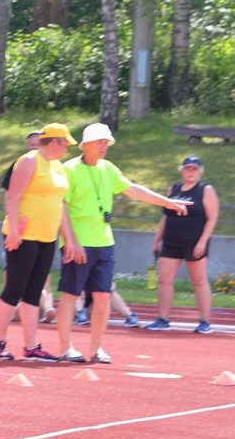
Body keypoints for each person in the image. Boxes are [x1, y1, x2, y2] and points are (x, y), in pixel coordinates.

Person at [55, 123, 189, 363]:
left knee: (103, 295)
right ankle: (66, 348)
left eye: (106, 142)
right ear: (85, 145)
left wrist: (167, 203)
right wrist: (71, 242)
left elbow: (133, 190)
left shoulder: (108, 168)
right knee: (70, 294)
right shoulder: (69, 169)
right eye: (99, 142)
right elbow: (60, 207)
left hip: (104, 242)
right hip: (78, 243)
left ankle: (96, 349)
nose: (104, 146)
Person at [0, 123, 75, 362]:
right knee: (14, 288)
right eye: (65, 143)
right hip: (24, 235)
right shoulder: (29, 161)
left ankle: (30, 346)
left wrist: (68, 239)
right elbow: (12, 196)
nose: (67, 148)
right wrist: (14, 232)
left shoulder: (57, 167)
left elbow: (60, 205)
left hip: (47, 236)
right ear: (55, 142)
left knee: (34, 291)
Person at [147, 155, 220, 334]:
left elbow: (212, 218)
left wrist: (202, 242)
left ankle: (204, 321)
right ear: (182, 170)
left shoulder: (205, 190)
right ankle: (163, 319)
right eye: (188, 168)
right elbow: (165, 217)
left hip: (194, 242)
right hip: (171, 241)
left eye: (194, 169)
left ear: (200, 171)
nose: (191, 172)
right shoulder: (173, 189)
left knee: (199, 281)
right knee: (164, 280)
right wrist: (156, 240)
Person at [1, 130, 57, 323]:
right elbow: (10, 196)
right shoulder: (22, 164)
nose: (34, 147)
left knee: (40, 279)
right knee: (13, 278)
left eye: (37, 144)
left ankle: (46, 306)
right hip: (22, 231)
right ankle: (11, 310)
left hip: (44, 233)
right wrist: (13, 226)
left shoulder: (54, 166)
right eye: (32, 144)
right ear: (27, 146)